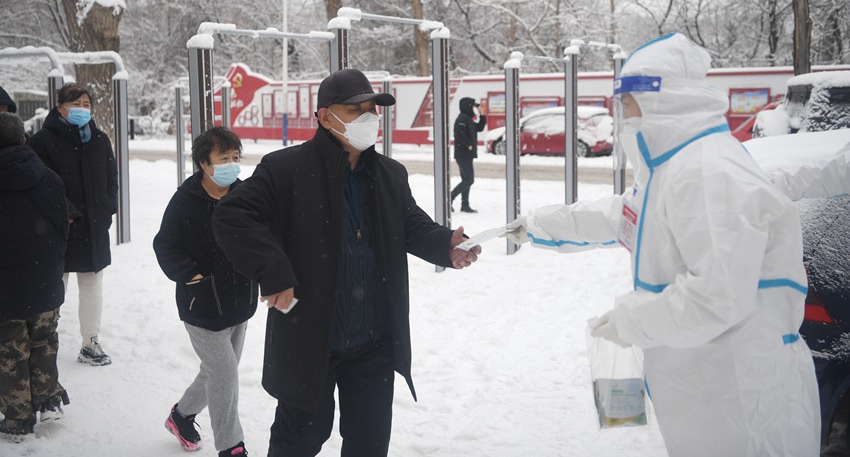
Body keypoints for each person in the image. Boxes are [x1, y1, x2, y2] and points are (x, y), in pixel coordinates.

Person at [506, 33, 820, 456]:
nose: (621, 114)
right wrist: (538, 225)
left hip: (744, 400)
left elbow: (717, 297)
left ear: (663, 99)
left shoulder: (708, 173)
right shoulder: (674, 168)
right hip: (709, 389)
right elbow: (622, 217)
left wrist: (630, 320)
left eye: (628, 101)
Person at [211, 68, 481, 457]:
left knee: (369, 446)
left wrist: (445, 244)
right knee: (298, 442)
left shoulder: (389, 173)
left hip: (374, 342)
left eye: (372, 110)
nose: (368, 119)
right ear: (324, 116)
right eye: (355, 110)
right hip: (311, 339)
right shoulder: (286, 169)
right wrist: (273, 272)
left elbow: (409, 224)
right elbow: (233, 216)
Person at [153, 126, 256, 457]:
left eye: (235, 157)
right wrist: (192, 275)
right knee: (224, 373)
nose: (231, 164)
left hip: (239, 300)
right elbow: (165, 246)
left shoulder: (245, 195)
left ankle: (181, 416)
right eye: (223, 158)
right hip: (202, 305)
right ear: (203, 163)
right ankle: (231, 446)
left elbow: (264, 238)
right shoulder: (185, 201)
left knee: (220, 370)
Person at [29, 82, 118, 367]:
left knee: (93, 286)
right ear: (60, 107)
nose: (82, 110)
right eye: (75, 104)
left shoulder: (100, 139)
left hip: (93, 227)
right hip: (58, 228)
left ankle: (90, 342)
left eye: (86, 105)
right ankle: (43, 342)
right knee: (54, 288)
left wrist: (106, 211)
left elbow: (111, 181)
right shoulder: (42, 141)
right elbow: (38, 183)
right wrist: (64, 212)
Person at [0, 112, 70, 443]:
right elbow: (63, 227)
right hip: (45, 278)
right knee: (44, 340)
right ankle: (48, 400)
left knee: (10, 348)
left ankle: (17, 417)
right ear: (24, 139)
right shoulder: (50, 178)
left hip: (5, 287)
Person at [450, 97, 487, 213]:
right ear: (468, 106)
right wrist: (468, 145)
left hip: (467, 154)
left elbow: (479, 128)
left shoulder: (468, 119)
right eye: (473, 106)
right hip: (463, 154)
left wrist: (482, 115)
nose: (475, 108)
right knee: (468, 180)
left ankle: (465, 205)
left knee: (466, 179)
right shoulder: (462, 119)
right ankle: (450, 198)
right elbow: (458, 133)